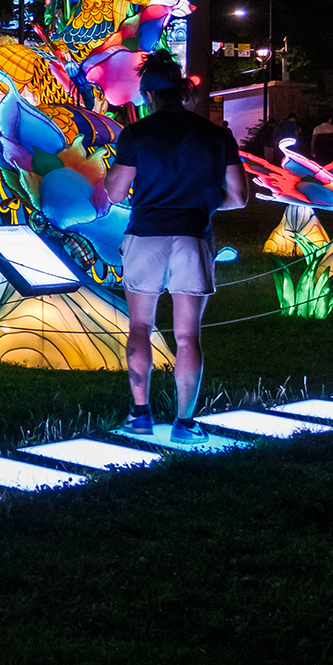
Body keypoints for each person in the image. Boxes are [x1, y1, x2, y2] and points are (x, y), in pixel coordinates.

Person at [98, 53, 249, 444]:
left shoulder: (137, 134)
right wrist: (201, 201)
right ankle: (185, 423)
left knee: (140, 327)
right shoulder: (217, 135)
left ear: (147, 94)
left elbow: (114, 193)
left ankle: (140, 415)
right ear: (182, 91)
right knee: (188, 337)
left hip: (146, 234)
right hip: (193, 236)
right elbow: (239, 197)